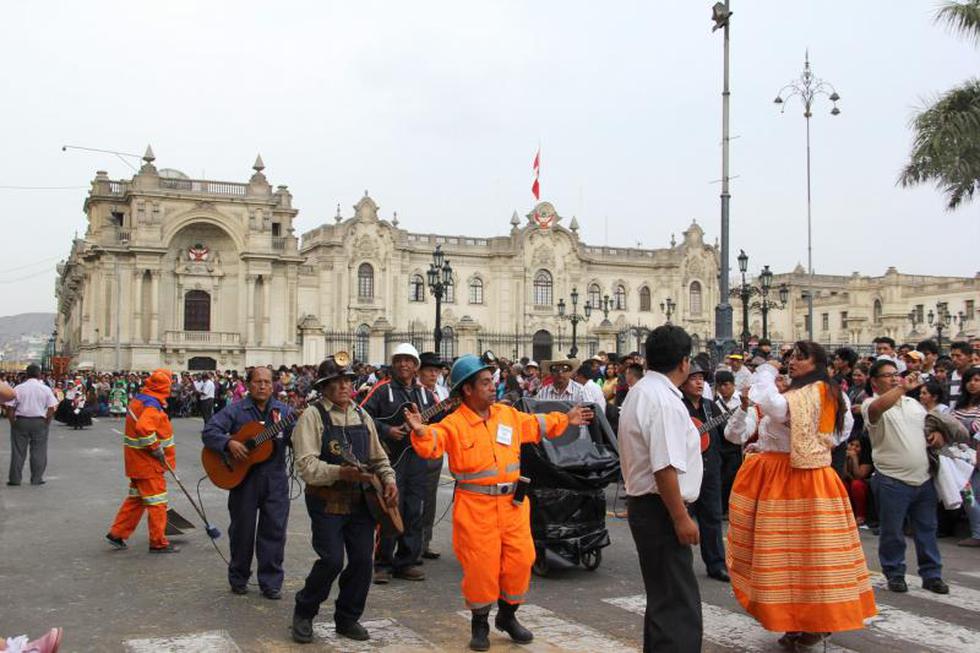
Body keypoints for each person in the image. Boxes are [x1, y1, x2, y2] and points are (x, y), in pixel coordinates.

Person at [405, 354, 593, 651]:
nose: (493, 387)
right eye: (485, 383)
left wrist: (565, 419)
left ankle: (507, 616)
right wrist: (420, 431)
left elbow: (537, 423)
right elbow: (432, 442)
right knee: (481, 568)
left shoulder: (507, 416)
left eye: (492, 381)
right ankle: (479, 623)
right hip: (475, 508)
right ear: (467, 389)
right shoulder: (453, 424)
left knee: (520, 562)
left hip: (513, 506)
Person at [728, 342, 872, 649]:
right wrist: (770, 447)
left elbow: (778, 410)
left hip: (798, 480)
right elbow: (832, 433)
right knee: (788, 558)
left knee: (808, 557)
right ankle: (794, 620)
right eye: (791, 357)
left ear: (818, 364)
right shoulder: (819, 393)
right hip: (795, 477)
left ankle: (812, 622)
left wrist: (765, 372)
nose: (792, 362)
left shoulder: (815, 392)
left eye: (801, 358)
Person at [290, 354, 397, 644]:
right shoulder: (312, 416)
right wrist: (340, 472)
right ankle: (304, 611)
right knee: (332, 560)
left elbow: (378, 456)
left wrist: (388, 479)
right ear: (323, 387)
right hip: (326, 502)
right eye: (334, 382)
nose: (343, 387)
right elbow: (307, 466)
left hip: (361, 502)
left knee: (363, 561)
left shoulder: (362, 415)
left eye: (347, 380)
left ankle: (347, 618)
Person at [617, 325, 703, 653]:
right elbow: (665, 466)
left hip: (649, 505)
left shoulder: (642, 391)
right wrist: (680, 517)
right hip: (662, 507)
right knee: (678, 606)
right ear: (684, 362)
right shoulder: (663, 400)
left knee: (664, 599)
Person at [202, 367, 294, 598]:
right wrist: (228, 443)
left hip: (275, 479)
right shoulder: (235, 411)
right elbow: (209, 430)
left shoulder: (284, 413)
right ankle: (238, 577)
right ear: (249, 385)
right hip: (244, 481)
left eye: (266, 382)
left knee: (274, 531)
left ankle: (271, 583)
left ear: (273, 386)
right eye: (257, 382)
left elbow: (299, 439)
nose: (262, 386)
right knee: (242, 531)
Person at [863, 359, 949, 593]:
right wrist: (901, 386)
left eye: (896, 374)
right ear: (874, 381)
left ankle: (932, 574)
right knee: (893, 531)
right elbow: (877, 410)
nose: (893, 378)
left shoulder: (913, 404)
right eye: (887, 375)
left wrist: (938, 436)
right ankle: (895, 572)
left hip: (923, 477)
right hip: (892, 478)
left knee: (927, 530)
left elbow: (928, 429)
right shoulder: (870, 403)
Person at [361, 342, 435, 583]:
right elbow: (362, 415)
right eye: (399, 360)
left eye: (409, 361)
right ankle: (382, 563)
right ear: (393, 365)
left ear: (416, 367)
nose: (404, 364)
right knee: (390, 507)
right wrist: (387, 430)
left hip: (417, 458)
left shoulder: (426, 394)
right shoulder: (382, 390)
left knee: (414, 509)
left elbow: (440, 421)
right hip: (391, 458)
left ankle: (407, 561)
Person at [105, 369, 179, 553]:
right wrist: (156, 449)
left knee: (137, 500)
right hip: (149, 464)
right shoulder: (152, 406)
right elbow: (144, 428)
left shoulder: (141, 398)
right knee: (157, 502)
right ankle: (158, 542)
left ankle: (117, 533)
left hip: (136, 461)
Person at [678, 364, 728, 582]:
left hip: (710, 469)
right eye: (694, 378)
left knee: (712, 518)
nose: (699, 383)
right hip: (686, 470)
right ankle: (681, 566)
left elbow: (726, 435)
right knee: (683, 518)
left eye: (702, 379)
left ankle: (716, 564)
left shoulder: (711, 407)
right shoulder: (677, 407)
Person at [417, 351, 450, 560]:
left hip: (435, 449)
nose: (433, 374)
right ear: (419, 371)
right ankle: (406, 544)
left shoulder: (442, 392)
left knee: (429, 499)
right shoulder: (413, 391)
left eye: (437, 371)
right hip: (413, 451)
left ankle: (424, 542)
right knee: (411, 500)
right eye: (429, 370)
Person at [4, 365, 58, 486]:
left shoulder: (18, 388)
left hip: (21, 421)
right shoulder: (45, 389)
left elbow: (10, 407)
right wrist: (46, 421)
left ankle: (15, 479)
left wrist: (13, 422)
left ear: (26, 375)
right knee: (39, 451)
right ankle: (36, 478)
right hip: (39, 421)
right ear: (39, 375)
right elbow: (52, 407)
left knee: (18, 451)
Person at [951, 367, 980, 547]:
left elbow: (976, 430)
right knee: (968, 494)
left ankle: (977, 533)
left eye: (977, 380)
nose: (972, 383)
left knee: (970, 494)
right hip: (960, 457)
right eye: (970, 380)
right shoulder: (959, 405)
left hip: (976, 455)